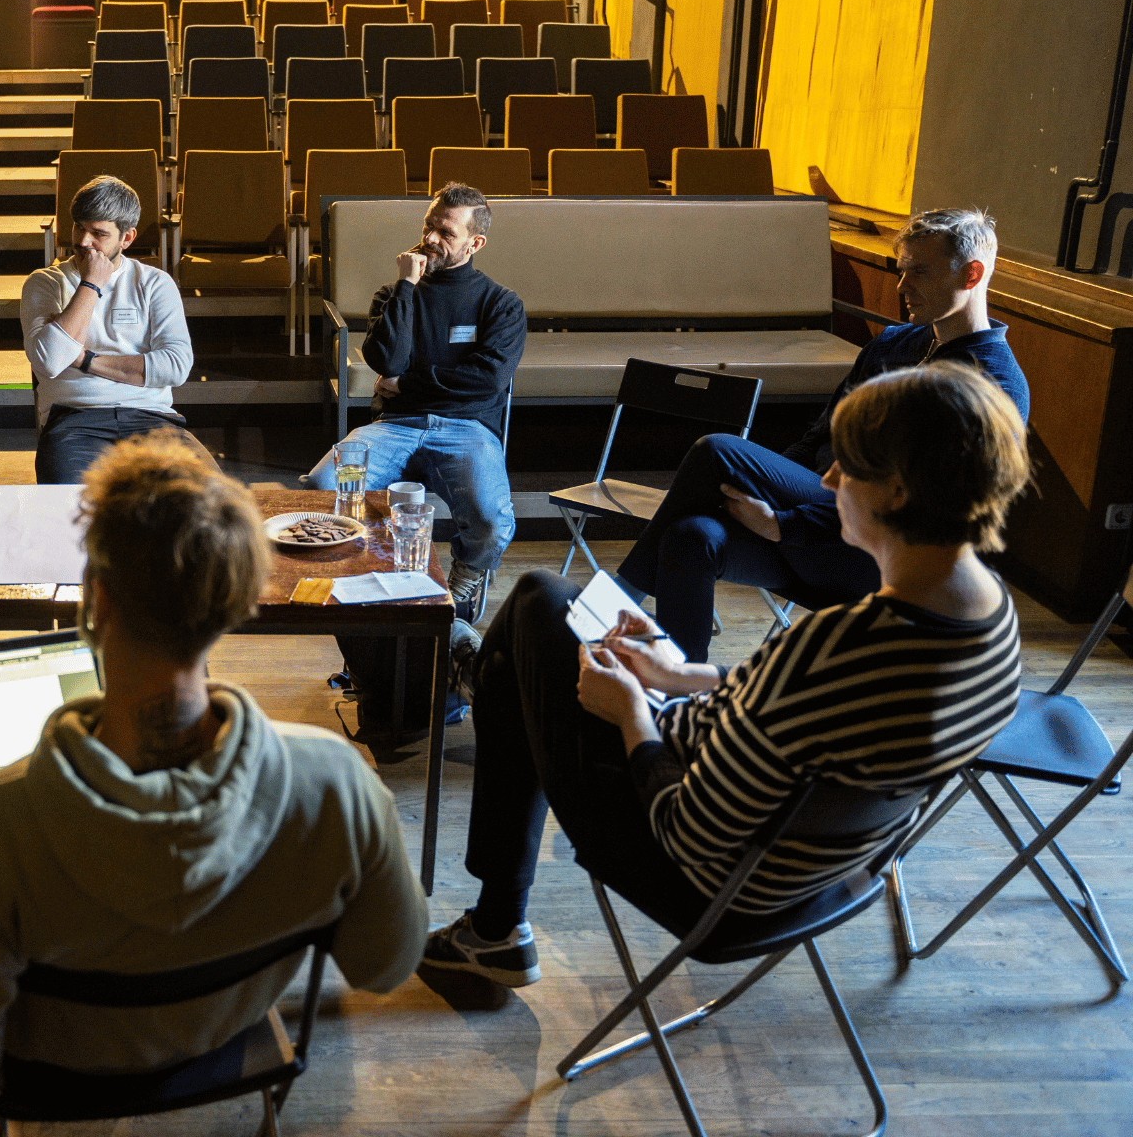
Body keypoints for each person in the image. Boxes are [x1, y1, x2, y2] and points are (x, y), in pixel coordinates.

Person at [0, 433, 427, 1113]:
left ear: (94, 601)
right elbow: (385, 963)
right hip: (233, 1059)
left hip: (58, 1089)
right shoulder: (337, 785)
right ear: (238, 601)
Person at [424, 362, 1029, 987]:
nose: (826, 479)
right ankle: (486, 708)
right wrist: (682, 674)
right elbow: (800, 705)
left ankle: (495, 917)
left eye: (847, 465)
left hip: (711, 879)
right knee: (530, 635)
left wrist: (631, 712)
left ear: (898, 492)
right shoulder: (992, 622)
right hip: (820, 874)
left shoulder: (835, 645)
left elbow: (687, 832)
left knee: (537, 602)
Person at [614, 207, 1030, 662]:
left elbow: (918, 511)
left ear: (971, 274)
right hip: (808, 531)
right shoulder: (893, 343)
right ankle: (679, 686)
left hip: (868, 557)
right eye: (901, 270)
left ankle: (618, 601)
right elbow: (818, 436)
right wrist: (768, 494)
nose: (901, 286)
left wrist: (782, 524)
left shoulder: (992, 385)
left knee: (717, 451)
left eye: (920, 272)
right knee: (691, 536)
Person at [303, 182, 526, 624]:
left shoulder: (500, 304)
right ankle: (377, 570)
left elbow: (487, 381)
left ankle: (465, 580)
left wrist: (407, 385)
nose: (430, 239)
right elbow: (386, 360)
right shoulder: (392, 296)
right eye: (429, 226)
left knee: (494, 521)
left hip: (467, 429)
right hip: (393, 427)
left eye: (446, 232)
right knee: (322, 485)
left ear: (475, 243)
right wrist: (408, 284)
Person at [20, 174, 211, 483]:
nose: (83, 242)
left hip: (153, 420)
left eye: (98, 233)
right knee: (67, 507)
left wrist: (84, 360)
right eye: (79, 227)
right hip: (73, 421)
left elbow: (175, 367)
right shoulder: (45, 282)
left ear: (127, 238)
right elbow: (50, 360)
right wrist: (91, 284)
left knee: (206, 498)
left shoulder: (154, 283)